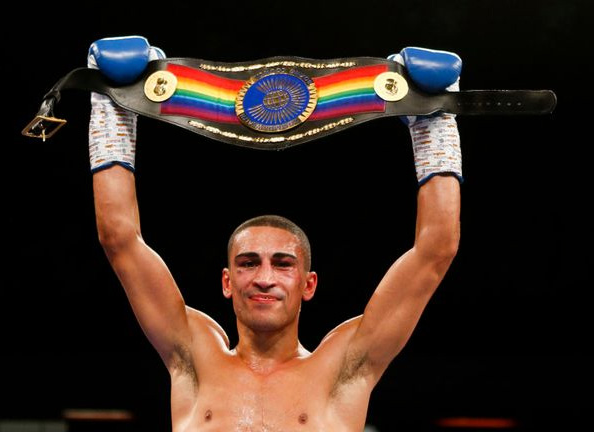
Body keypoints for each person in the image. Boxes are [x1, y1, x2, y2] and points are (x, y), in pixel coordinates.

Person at [88, 36, 462, 431]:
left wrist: (434, 122)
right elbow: (119, 239)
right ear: (227, 281)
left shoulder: (342, 368)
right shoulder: (194, 357)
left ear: (308, 283)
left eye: (283, 264)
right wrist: (111, 107)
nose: (264, 278)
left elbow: (437, 249)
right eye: (249, 263)